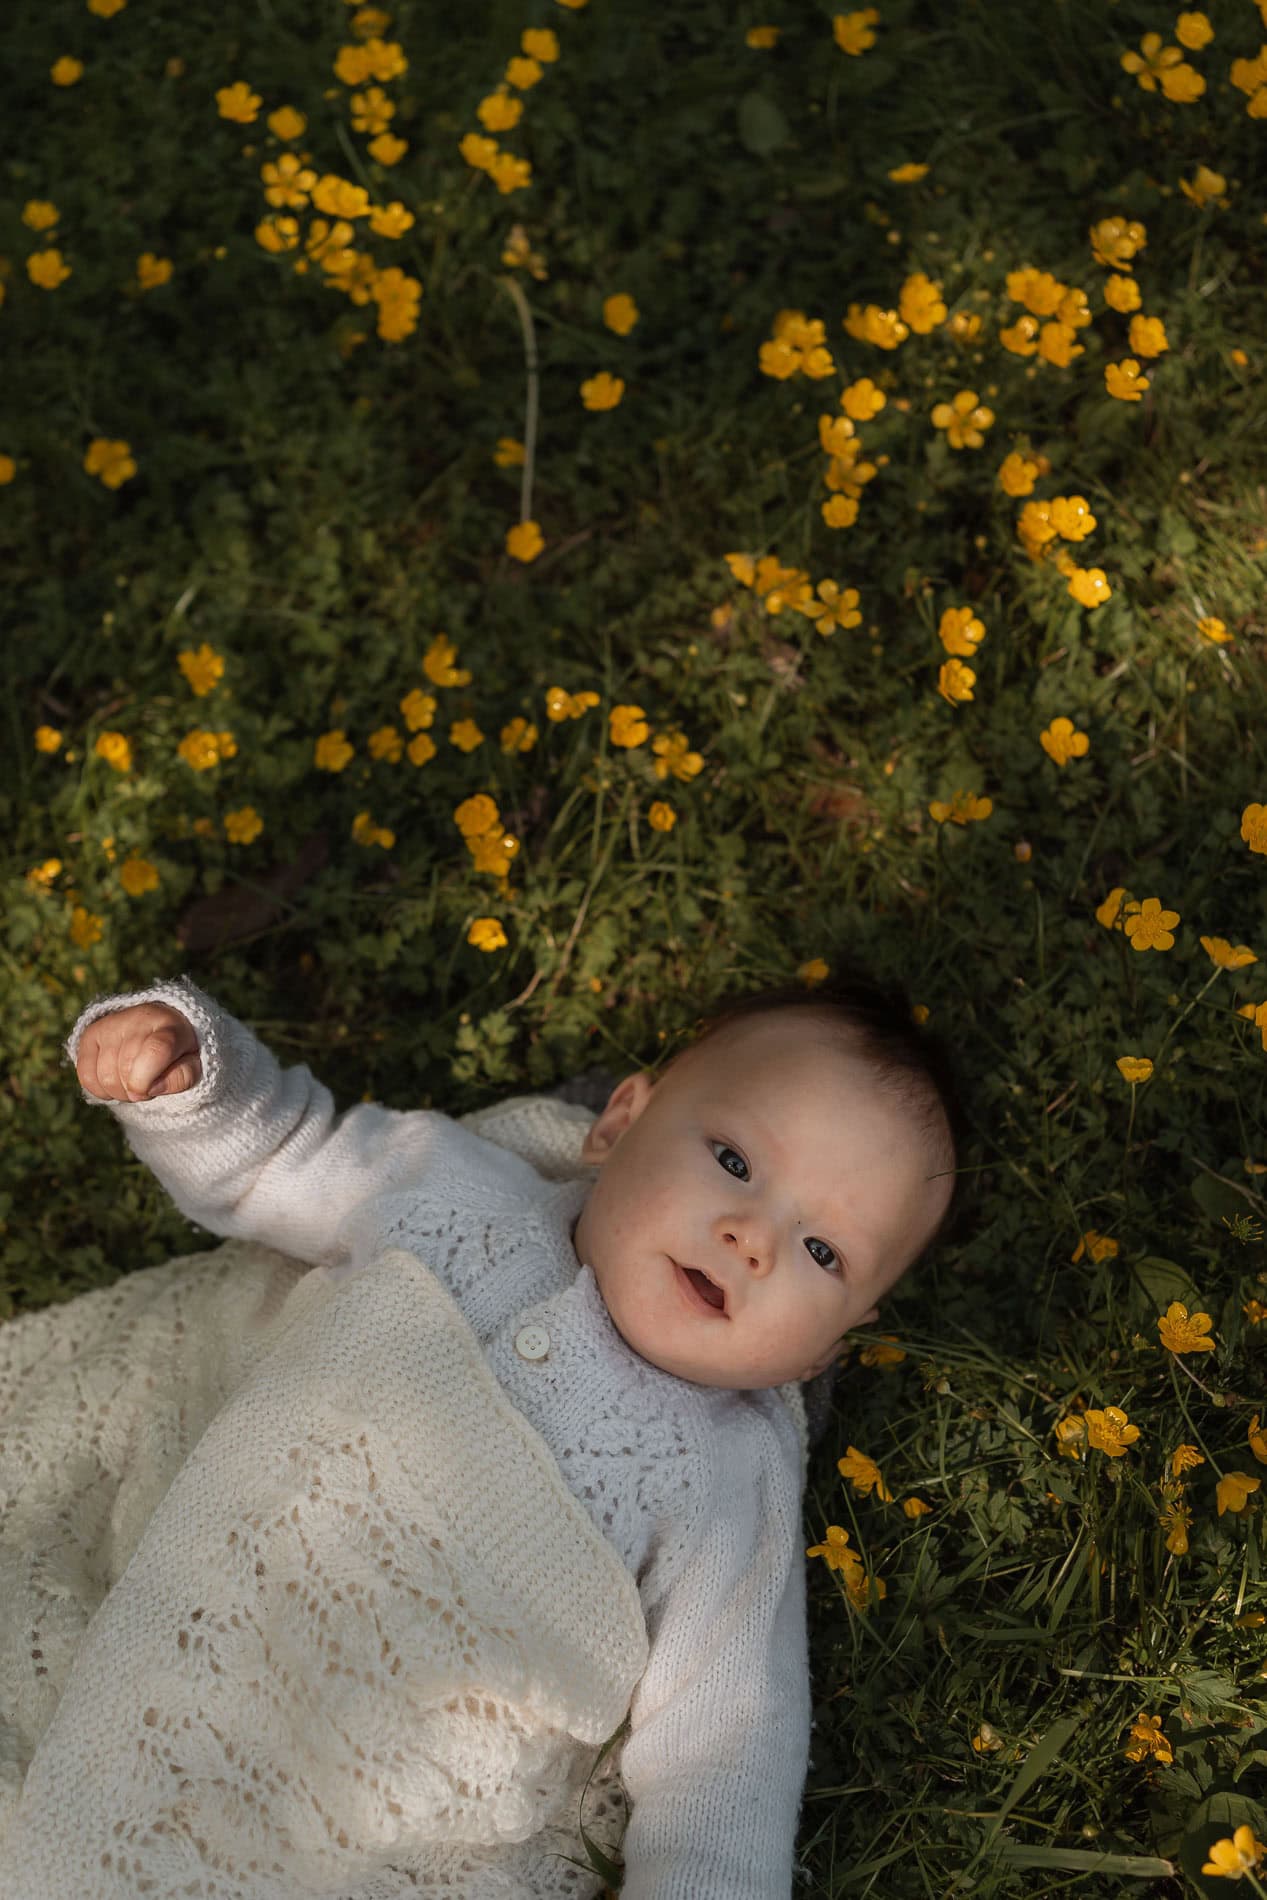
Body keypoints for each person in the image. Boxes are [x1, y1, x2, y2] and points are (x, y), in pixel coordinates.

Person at [47, 972, 957, 1896]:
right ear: (619, 1124)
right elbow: (282, 1156)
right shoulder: (456, 1194)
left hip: (383, 1799)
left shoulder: (731, 1482)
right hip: (209, 1608)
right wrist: (194, 1084)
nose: (751, 1238)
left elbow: (725, 1754)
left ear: (830, 1346)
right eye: (732, 1161)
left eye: (821, 1252)